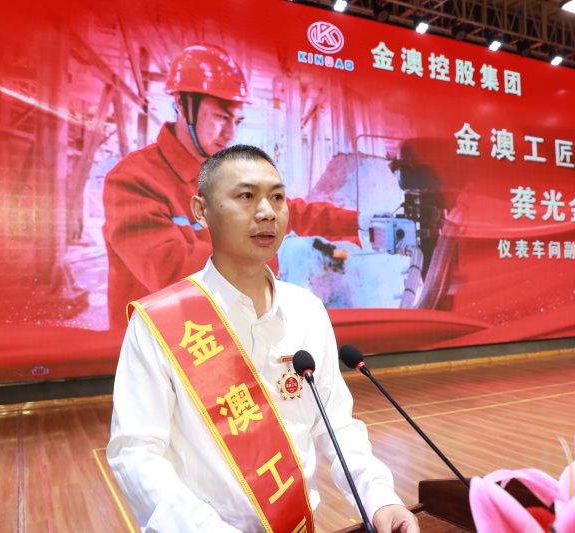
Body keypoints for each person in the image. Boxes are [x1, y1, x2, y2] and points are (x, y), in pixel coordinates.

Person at [107, 145, 420, 533]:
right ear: (201, 211)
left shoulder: (307, 310)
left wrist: (381, 500)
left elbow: (337, 426)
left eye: (277, 197)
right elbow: (135, 454)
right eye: (246, 196)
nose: (267, 212)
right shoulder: (159, 322)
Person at [102, 44, 361, 328]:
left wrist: (359, 223)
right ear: (182, 104)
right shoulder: (134, 179)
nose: (230, 133)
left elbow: (286, 212)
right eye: (222, 117)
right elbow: (171, 269)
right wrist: (283, 257)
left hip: (225, 333)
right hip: (158, 343)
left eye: (237, 121)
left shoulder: (225, 174)